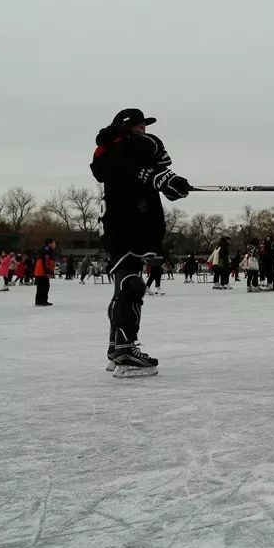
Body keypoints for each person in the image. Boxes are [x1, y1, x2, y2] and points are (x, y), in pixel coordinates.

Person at [90, 108, 192, 377]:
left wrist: (170, 184)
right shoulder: (121, 149)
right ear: (125, 128)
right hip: (126, 225)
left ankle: (116, 347)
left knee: (125, 284)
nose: (143, 130)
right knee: (131, 285)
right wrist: (163, 179)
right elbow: (137, 171)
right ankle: (125, 350)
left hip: (123, 225)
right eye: (139, 126)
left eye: (144, 126)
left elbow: (144, 176)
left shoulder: (119, 152)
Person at [34, 239, 56, 305]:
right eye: (54, 243)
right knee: (42, 286)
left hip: (43, 271)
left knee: (46, 286)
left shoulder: (49, 250)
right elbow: (46, 260)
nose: (55, 245)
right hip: (41, 271)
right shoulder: (47, 249)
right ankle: (39, 301)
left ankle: (43, 300)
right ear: (49, 243)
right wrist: (47, 271)